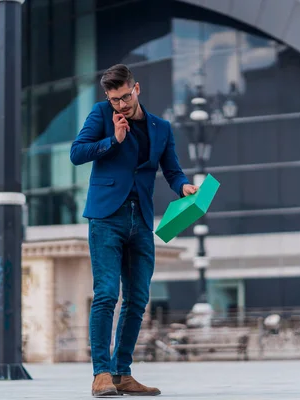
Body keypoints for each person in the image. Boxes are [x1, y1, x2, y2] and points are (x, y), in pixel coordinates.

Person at [70, 64, 198, 397]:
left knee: (138, 298)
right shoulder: (101, 115)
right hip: (106, 216)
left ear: (136, 88)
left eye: (125, 97)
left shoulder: (161, 127)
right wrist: (114, 140)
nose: (121, 105)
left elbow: (172, 170)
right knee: (107, 293)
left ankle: (122, 373)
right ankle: (101, 374)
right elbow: (76, 153)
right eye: (115, 100)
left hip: (140, 218)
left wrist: (183, 186)